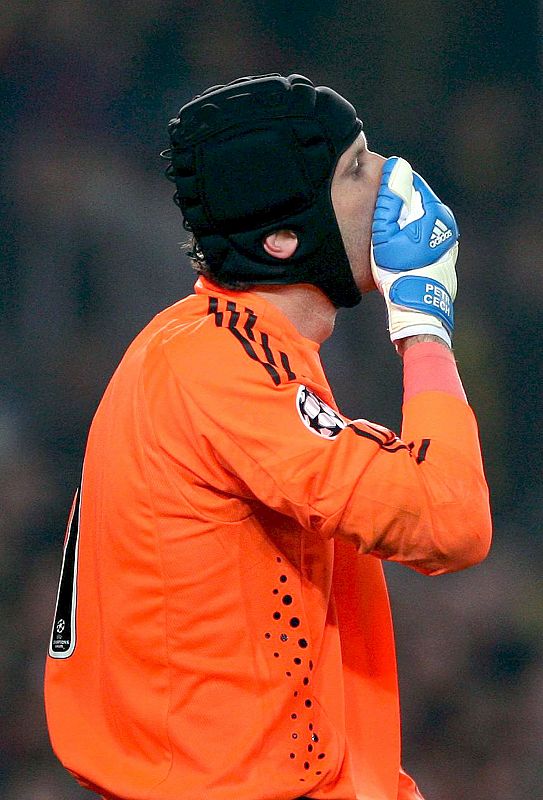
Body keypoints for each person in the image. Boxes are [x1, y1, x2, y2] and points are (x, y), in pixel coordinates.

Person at [44, 73, 492, 800]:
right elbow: (449, 521)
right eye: (355, 170)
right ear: (284, 239)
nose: (391, 183)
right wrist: (422, 326)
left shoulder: (214, 348)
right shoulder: (217, 367)